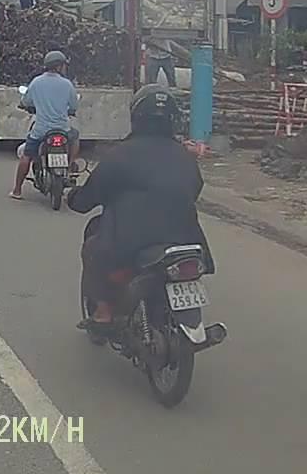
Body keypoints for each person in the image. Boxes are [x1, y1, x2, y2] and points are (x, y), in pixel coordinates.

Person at [67, 84, 213, 327]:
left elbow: (89, 196)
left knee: (93, 247)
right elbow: (194, 188)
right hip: (185, 239)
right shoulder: (184, 156)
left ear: (136, 117)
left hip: (131, 242)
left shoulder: (120, 154)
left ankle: (103, 311)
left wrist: (74, 197)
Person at [10, 50, 80, 200]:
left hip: (41, 130)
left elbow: (26, 101)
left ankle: (17, 190)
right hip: (63, 129)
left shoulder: (36, 82)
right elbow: (74, 105)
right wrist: (70, 111)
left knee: (27, 156)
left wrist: (25, 105)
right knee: (75, 137)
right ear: (59, 66)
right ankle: (71, 166)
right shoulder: (67, 84)